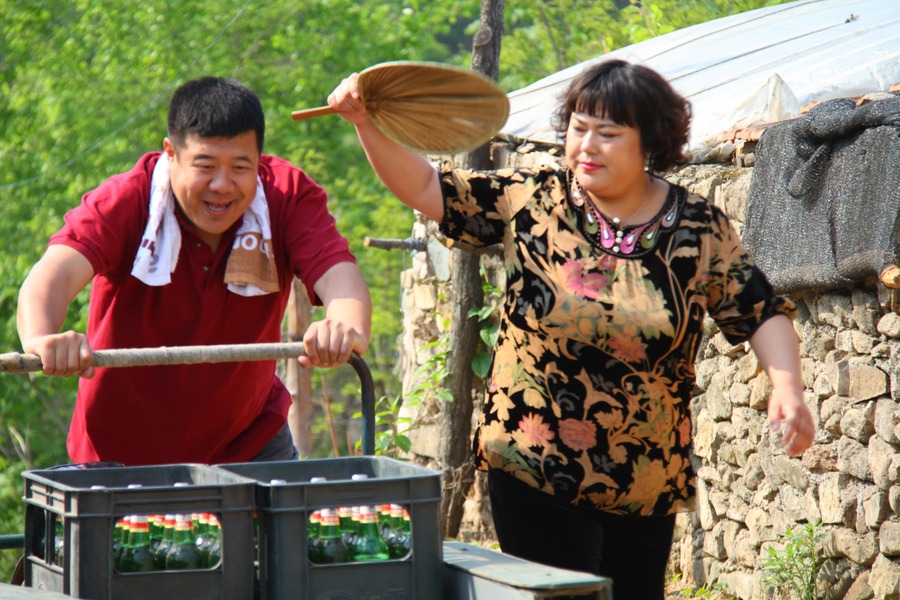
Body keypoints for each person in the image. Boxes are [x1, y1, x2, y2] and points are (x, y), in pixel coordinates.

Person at [327, 59, 815, 599]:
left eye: (608, 134)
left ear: (649, 141)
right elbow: (427, 187)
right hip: (535, 467)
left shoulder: (699, 229)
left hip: (644, 479)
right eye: (579, 129)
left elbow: (760, 309)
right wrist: (364, 124)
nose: (587, 145)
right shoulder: (533, 198)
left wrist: (787, 388)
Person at [17, 76, 371, 467]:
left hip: (250, 442)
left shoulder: (285, 197)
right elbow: (50, 277)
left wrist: (341, 328)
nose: (222, 185)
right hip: (117, 453)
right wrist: (43, 339)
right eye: (205, 165)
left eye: (241, 166)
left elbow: (341, 277)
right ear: (170, 153)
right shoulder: (128, 199)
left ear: (260, 159)